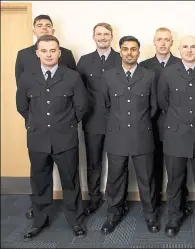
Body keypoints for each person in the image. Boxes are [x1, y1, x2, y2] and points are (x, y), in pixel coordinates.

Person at [16, 35, 87, 240]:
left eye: (52, 50)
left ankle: (75, 220)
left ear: (59, 52)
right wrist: (34, 124)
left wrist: (67, 124)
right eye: (44, 50)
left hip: (65, 139)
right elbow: (22, 106)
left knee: (70, 181)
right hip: (37, 139)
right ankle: (39, 221)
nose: (49, 54)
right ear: (37, 53)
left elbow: (81, 106)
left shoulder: (72, 76)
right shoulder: (27, 77)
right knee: (40, 181)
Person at [158, 35, 195, 238]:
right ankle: (174, 218)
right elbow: (163, 103)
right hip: (175, 135)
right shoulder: (168, 73)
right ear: (179, 49)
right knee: (175, 181)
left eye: (193, 47)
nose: (189, 50)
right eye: (185, 47)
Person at [100, 36, 159, 235]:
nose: (129, 53)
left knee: (146, 178)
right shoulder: (108, 75)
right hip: (116, 136)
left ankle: (150, 215)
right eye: (125, 49)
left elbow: (154, 107)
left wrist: (138, 123)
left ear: (139, 52)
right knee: (115, 178)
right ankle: (113, 214)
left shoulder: (149, 75)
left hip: (142, 135)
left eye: (133, 49)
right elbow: (106, 106)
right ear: (120, 51)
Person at [139, 27, 192, 216]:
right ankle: (156, 201)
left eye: (166, 40)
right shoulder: (144, 65)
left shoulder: (183, 62)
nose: (163, 43)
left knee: (178, 168)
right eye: (159, 39)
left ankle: (180, 202)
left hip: (178, 125)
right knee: (154, 165)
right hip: (152, 123)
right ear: (154, 42)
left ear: (172, 43)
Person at [76, 22, 128, 216]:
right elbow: (78, 91)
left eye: (106, 34)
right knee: (94, 162)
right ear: (93, 37)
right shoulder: (84, 60)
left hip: (119, 120)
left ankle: (118, 200)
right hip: (93, 120)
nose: (103, 37)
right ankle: (94, 198)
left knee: (119, 162)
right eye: (99, 34)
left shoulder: (121, 58)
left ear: (112, 36)